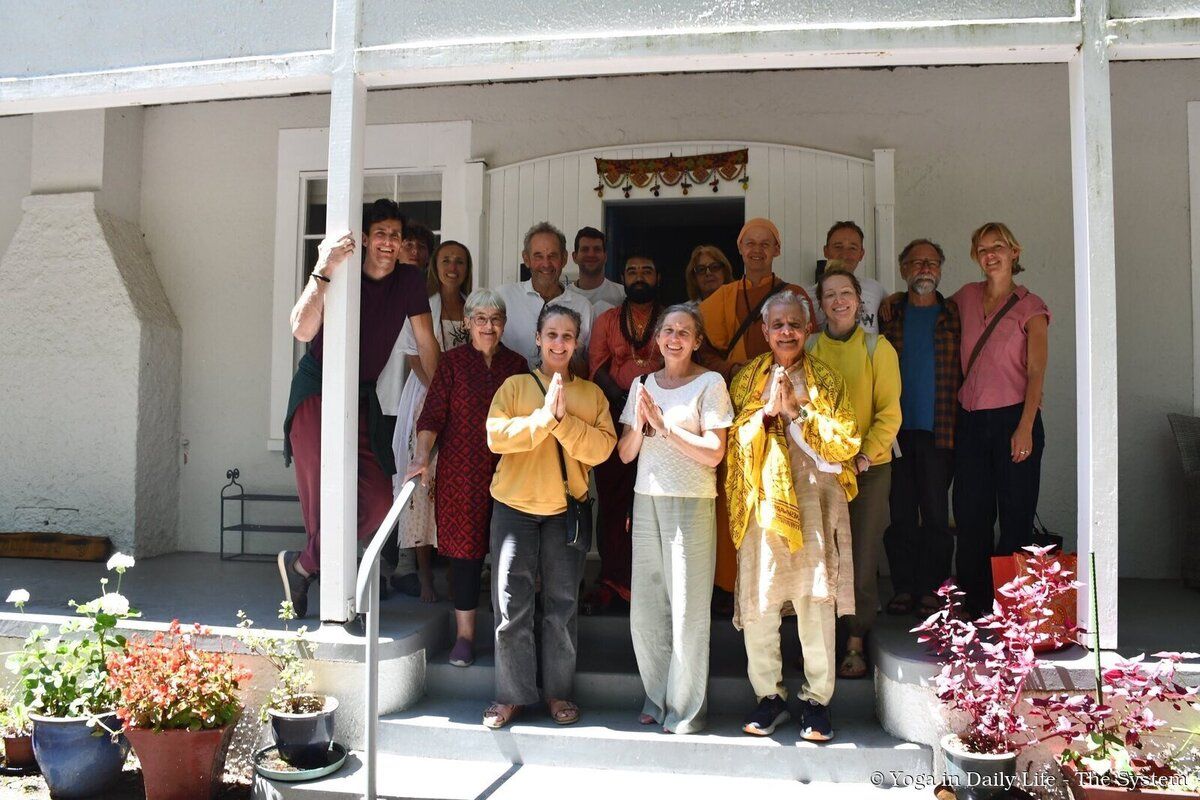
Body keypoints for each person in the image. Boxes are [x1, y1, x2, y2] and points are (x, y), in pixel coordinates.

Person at [279, 199, 440, 618]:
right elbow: (301, 329)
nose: (389, 242)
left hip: (362, 397)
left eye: (396, 236)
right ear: (366, 238)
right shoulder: (342, 270)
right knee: (323, 503)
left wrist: (441, 400)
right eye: (381, 234)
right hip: (318, 389)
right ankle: (322, 584)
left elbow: (426, 343)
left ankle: (302, 566)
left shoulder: (408, 280)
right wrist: (324, 268)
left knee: (379, 502)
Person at [726, 291, 859, 741]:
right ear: (764, 331)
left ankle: (817, 702)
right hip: (763, 505)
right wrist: (766, 415)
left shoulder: (827, 379)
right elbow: (733, 441)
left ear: (808, 328)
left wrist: (796, 412)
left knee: (814, 600)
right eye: (778, 325)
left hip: (815, 503)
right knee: (761, 601)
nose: (786, 332)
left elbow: (846, 442)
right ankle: (770, 697)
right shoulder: (748, 379)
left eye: (794, 325)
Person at [482, 304, 617, 729]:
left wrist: (561, 424)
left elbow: (602, 448)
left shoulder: (591, 395)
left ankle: (558, 693)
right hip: (514, 510)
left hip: (564, 512)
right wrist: (544, 419)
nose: (559, 343)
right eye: (552, 335)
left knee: (562, 607)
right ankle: (511, 696)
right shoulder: (515, 385)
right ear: (538, 339)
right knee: (511, 607)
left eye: (567, 336)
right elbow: (496, 437)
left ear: (577, 343)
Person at [618, 304, 732, 733]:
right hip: (646, 498)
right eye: (668, 330)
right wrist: (641, 425)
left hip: (691, 500)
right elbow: (626, 454)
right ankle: (656, 694)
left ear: (697, 340)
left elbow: (714, 452)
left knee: (687, 610)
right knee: (647, 610)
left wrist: (664, 427)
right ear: (658, 337)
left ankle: (685, 709)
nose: (674, 338)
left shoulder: (711, 383)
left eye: (684, 332)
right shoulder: (643, 384)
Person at [696, 217, 814, 613]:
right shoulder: (724, 296)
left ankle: (780, 589)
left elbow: (804, 344)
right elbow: (700, 346)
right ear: (740, 249)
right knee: (735, 489)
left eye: (766, 243)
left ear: (777, 250)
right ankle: (728, 583)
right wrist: (731, 369)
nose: (758, 250)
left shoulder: (794, 295)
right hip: (739, 405)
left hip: (786, 406)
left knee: (782, 490)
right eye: (750, 243)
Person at [405, 288, 528, 667]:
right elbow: (432, 416)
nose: (488, 326)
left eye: (495, 319)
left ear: (504, 323)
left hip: (511, 471)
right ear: (467, 323)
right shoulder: (452, 363)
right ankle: (465, 637)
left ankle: (511, 636)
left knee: (512, 555)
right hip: (462, 474)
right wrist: (422, 456)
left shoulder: (517, 365)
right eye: (480, 319)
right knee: (465, 556)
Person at [807, 268, 901, 679]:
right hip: (819, 470)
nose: (839, 301)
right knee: (821, 556)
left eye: (846, 293)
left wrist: (862, 457)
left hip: (868, 469)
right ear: (820, 304)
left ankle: (855, 641)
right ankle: (820, 642)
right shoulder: (810, 347)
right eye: (830, 295)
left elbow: (889, 413)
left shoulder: (878, 348)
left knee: (860, 556)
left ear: (859, 301)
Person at [951, 222, 1050, 616]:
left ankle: (1012, 607)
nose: (990, 255)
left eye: (998, 247)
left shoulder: (1031, 306)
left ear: (1014, 252)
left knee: (1015, 515)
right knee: (971, 515)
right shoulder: (965, 297)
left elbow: (1037, 372)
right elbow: (929, 307)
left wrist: (1025, 427)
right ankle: (974, 603)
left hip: (1015, 419)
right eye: (982, 249)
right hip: (971, 422)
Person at [379, 240, 472, 602]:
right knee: (423, 487)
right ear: (436, 265)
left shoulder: (472, 306)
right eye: (446, 260)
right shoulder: (422, 306)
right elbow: (414, 358)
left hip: (465, 404)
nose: (453, 267)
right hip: (427, 398)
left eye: (460, 261)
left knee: (455, 487)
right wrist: (443, 394)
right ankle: (425, 577)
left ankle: (453, 572)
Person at [879, 240, 961, 618]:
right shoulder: (890, 314)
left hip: (940, 431)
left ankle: (933, 588)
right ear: (903, 269)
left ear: (940, 269)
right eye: (915, 262)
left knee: (935, 516)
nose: (924, 268)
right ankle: (904, 587)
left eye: (931, 262)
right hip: (894, 432)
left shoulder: (954, 314)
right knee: (900, 516)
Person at [583, 254, 664, 615]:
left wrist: (651, 404)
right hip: (616, 416)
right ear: (623, 278)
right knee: (614, 501)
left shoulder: (669, 319)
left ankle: (652, 584)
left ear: (658, 277)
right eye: (632, 271)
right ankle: (612, 580)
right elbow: (596, 366)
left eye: (647, 270)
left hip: (662, 420)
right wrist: (626, 401)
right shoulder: (608, 320)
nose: (639, 277)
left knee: (654, 502)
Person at [495, 222, 594, 371]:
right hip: (511, 385)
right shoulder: (503, 297)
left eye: (552, 256)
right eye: (538, 256)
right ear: (526, 259)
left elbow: (589, 366)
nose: (546, 264)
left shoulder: (583, 306)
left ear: (564, 259)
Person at [810, 221, 886, 334]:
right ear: (826, 251)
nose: (845, 255)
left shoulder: (875, 289)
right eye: (838, 247)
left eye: (852, 248)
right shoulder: (807, 297)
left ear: (861, 254)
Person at [571, 226, 625, 309]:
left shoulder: (622, 295)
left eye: (597, 249)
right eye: (585, 249)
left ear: (605, 257)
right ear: (575, 257)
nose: (591, 254)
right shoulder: (564, 297)